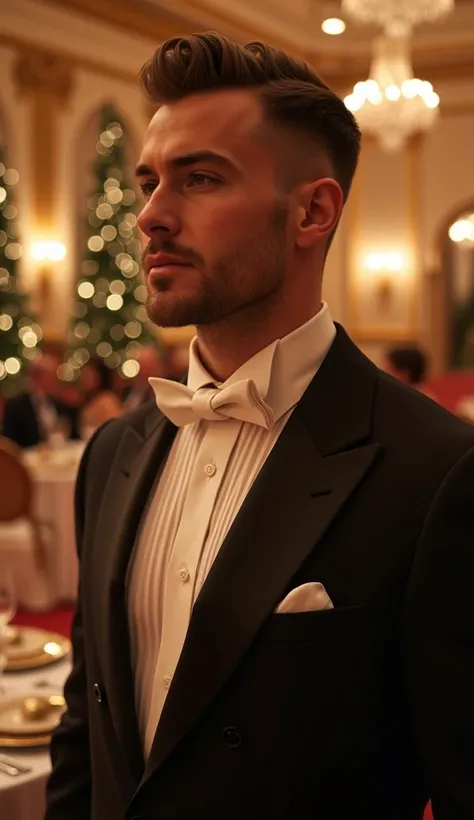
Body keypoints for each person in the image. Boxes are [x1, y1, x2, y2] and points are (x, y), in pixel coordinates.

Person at [46, 33, 474, 820]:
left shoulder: (439, 468)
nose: (149, 217)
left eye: (199, 179)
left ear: (312, 211)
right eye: (148, 183)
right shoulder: (114, 452)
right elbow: (86, 731)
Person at [2, 354, 77, 448]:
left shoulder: (58, 404)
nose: (56, 381)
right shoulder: (17, 406)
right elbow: (9, 443)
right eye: (51, 377)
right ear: (37, 378)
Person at [79, 357, 122, 438]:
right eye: (84, 374)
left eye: (89, 375)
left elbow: (115, 429)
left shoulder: (108, 400)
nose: (84, 379)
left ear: (99, 376)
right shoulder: (88, 400)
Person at [122, 345, 166, 411]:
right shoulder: (131, 391)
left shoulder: (167, 393)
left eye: (149, 368)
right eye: (143, 368)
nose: (144, 372)